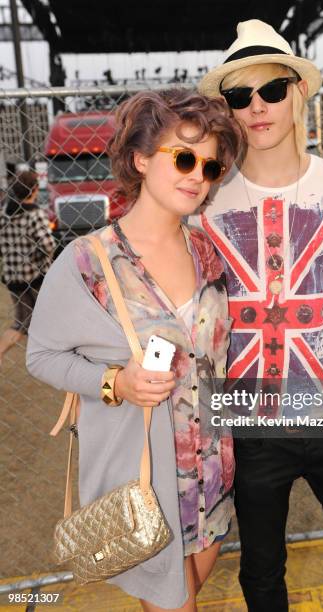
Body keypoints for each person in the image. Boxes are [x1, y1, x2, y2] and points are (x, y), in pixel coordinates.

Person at [191, 19, 323, 612]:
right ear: (227, 109)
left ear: (297, 94)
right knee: (260, 573)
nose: (256, 108)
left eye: (271, 91)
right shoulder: (204, 199)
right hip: (249, 420)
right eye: (238, 96)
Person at [26, 89, 243, 611]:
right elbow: (43, 355)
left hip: (214, 469)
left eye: (211, 167)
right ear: (141, 158)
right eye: (185, 157)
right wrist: (115, 383)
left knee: (188, 588)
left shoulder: (208, 251)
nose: (198, 175)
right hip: (146, 475)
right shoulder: (89, 261)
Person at [0, 170, 55, 366]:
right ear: (34, 189)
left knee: (23, 322)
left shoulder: (4, 214)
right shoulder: (35, 214)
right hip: (35, 276)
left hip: (14, 277)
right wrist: (40, 259)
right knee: (49, 315)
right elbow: (48, 244)